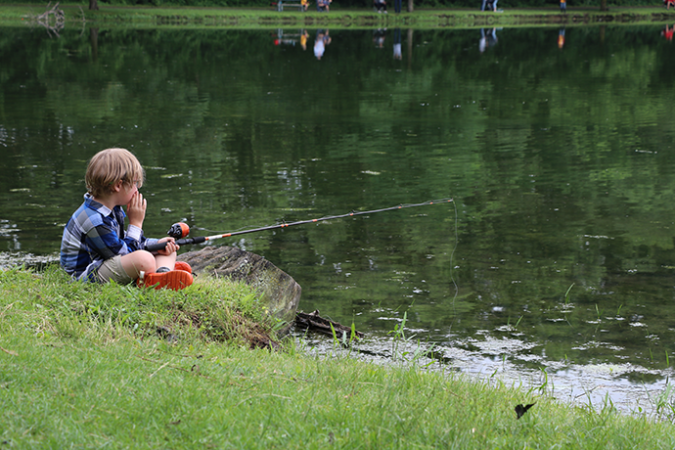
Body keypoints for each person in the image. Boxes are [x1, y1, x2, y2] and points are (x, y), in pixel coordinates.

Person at [60, 148, 193, 290]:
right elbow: (124, 253)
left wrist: (158, 244)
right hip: (86, 276)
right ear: (118, 185)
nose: (137, 190)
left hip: (109, 259)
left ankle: (162, 273)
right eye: (135, 183)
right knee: (144, 259)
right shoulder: (94, 220)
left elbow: (124, 243)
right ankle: (157, 273)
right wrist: (136, 223)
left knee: (167, 248)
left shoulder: (111, 208)